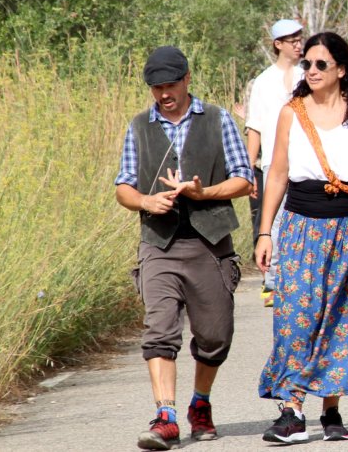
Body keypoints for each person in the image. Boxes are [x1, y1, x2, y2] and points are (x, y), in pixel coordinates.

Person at [255, 32, 348, 442]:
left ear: (340, 70)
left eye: (321, 65)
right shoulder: (290, 113)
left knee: (344, 319)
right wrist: (266, 231)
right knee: (296, 318)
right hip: (302, 228)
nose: (312, 71)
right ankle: (291, 410)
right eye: (307, 65)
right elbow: (277, 174)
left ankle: (330, 412)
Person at [114, 46, 254, 450]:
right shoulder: (139, 127)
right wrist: (145, 201)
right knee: (159, 331)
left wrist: (203, 191)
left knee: (215, 337)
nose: (163, 94)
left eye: (170, 85)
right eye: (156, 88)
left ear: (187, 79)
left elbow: (244, 179)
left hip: (210, 244)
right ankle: (166, 417)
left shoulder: (218, 119)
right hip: (158, 244)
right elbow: (123, 186)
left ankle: (200, 404)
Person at [245, 19, 305, 306]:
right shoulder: (263, 81)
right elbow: (254, 126)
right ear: (277, 44)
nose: (297, 43)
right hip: (273, 161)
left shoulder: (310, 74)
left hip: (308, 161)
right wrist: (247, 168)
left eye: (299, 38)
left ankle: (304, 278)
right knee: (276, 222)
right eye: (290, 39)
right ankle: (273, 283)